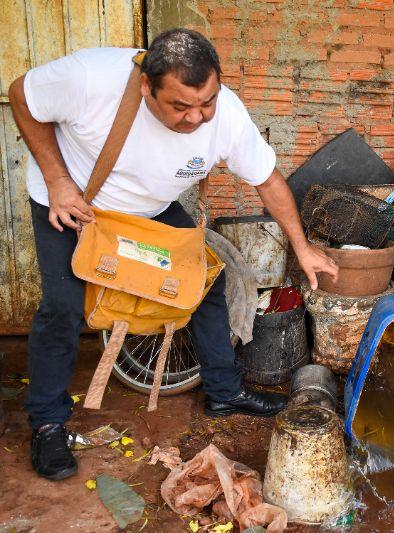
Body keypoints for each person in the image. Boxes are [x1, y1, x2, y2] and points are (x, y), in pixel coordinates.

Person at [8, 28, 338, 481]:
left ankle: (223, 391)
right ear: (148, 86)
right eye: (180, 106)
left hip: (149, 207)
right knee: (64, 307)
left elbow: (268, 180)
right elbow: (21, 95)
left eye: (207, 102)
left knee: (206, 280)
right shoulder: (91, 79)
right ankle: (48, 422)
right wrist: (57, 179)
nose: (197, 118)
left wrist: (301, 247)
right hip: (77, 201)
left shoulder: (227, 117)